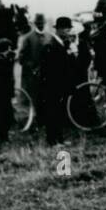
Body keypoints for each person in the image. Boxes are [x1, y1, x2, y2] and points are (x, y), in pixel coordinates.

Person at [39, 16, 80, 146]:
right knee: (52, 111)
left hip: (60, 85)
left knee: (59, 112)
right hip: (53, 85)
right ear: (61, 30)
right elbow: (49, 69)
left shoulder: (62, 44)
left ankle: (59, 138)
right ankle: (52, 140)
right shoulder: (51, 45)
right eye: (67, 30)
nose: (69, 33)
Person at [17, 14, 50, 106]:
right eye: (38, 23)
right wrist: (31, 66)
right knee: (31, 98)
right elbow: (21, 58)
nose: (40, 25)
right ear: (34, 24)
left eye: (42, 23)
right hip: (31, 74)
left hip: (45, 72)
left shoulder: (49, 37)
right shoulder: (28, 38)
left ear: (45, 23)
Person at [0, 37, 16, 147]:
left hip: (6, 92)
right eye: (7, 48)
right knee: (3, 116)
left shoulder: (5, 59)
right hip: (0, 93)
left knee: (7, 116)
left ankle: (4, 136)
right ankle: (2, 138)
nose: (10, 50)